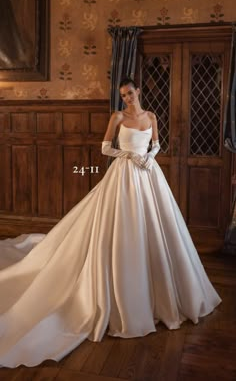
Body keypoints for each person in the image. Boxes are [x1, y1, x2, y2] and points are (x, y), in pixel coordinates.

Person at [0, 77, 221, 368]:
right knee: (121, 226)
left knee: (157, 227)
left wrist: (149, 157)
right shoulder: (117, 117)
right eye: (123, 95)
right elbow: (105, 147)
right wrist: (129, 155)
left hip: (148, 174)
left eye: (130, 93)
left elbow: (157, 144)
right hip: (124, 174)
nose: (127, 98)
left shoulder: (151, 116)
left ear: (139, 92)